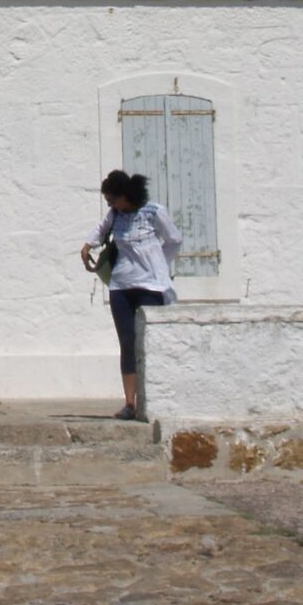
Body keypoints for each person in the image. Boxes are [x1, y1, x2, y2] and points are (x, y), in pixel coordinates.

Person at [82, 169, 181, 421]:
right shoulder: (115, 215)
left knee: (149, 342)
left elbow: (174, 240)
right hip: (121, 286)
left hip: (150, 286)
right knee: (127, 342)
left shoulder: (153, 212)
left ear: (125, 196)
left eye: (112, 200)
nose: (111, 205)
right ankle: (130, 402)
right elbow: (98, 232)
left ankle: (157, 398)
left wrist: (159, 262)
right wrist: (87, 247)